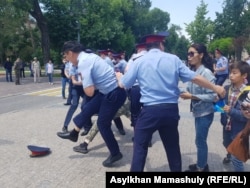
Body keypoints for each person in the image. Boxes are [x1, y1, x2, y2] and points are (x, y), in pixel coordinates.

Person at [116, 32, 225, 172]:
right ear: (161, 45)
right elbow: (195, 77)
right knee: (172, 148)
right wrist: (215, 87)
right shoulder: (174, 59)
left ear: (147, 47)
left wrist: (119, 76)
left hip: (149, 111)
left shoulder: (138, 61)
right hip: (170, 111)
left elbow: (124, 84)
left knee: (140, 148)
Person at [57, 41, 127, 167]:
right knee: (88, 107)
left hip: (113, 93)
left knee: (102, 124)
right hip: (109, 91)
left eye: (66, 56)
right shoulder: (90, 56)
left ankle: (115, 153)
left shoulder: (83, 63)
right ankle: (74, 133)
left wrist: (83, 81)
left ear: (71, 53)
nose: (66, 60)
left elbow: (89, 92)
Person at [180, 43, 217, 172]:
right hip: (198, 111)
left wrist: (192, 96)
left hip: (205, 113)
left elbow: (213, 96)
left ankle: (201, 168)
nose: (189, 57)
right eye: (188, 53)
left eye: (192, 53)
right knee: (199, 141)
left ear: (201, 55)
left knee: (200, 141)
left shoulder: (206, 73)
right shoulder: (194, 72)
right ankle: (201, 163)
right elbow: (190, 89)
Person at [220, 61, 250, 171]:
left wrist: (231, 111)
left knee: (236, 159)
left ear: (244, 75)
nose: (231, 75)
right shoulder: (228, 88)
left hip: (239, 129)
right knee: (226, 143)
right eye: (230, 73)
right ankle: (229, 153)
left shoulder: (247, 93)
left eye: (234, 73)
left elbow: (245, 116)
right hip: (227, 126)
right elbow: (222, 104)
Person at [126, 42, 153, 147]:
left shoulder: (134, 58)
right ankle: (148, 139)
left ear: (138, 49)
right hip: (149, 88)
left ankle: (138, 137)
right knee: (148, 113)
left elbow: (127, 70)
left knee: (136, 113)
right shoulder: (152, 57)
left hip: (136, 88)